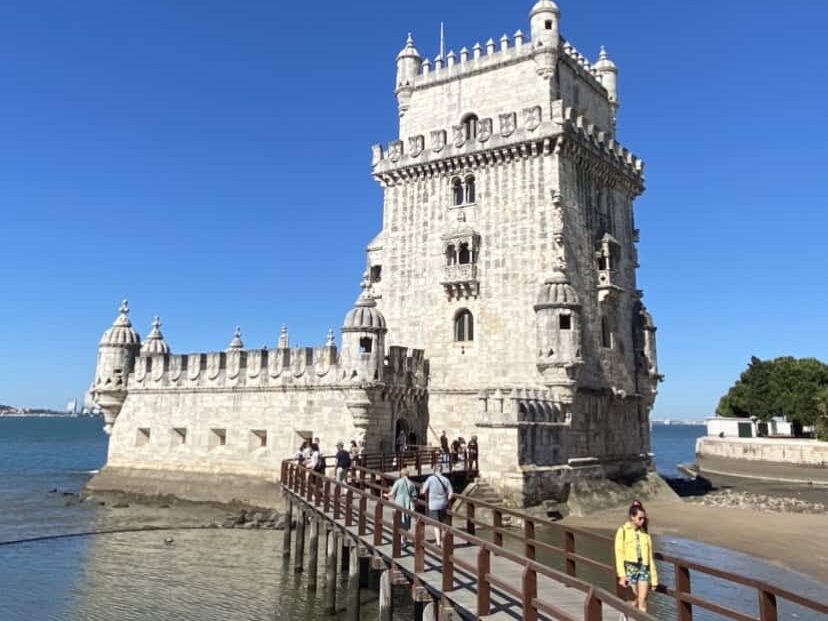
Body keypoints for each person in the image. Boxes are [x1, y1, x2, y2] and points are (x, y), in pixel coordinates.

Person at [615, 501, 658, 612]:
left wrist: (654, 579)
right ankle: (628, 614)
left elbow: (650, 557)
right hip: (630, 567)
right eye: (640, 518)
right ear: (632, 517)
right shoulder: (623, 531)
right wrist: (622, 575)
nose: (642, 521)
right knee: (635, 598)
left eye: (644, 518)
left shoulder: (645, 534)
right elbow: (619, 553)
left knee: (642, 599)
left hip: (643, 568)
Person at [421, 463, 453, 547]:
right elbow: (451, 493)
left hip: (433, 504)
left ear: (434, 470)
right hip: (443, 504)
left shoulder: (430, 479)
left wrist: (423, 490)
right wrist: (447, 499)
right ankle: (442, 541)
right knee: (441, 523)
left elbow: (423, 491)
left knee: (436, 524)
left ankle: (438, 542)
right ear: (441, 470)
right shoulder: (446, 479)